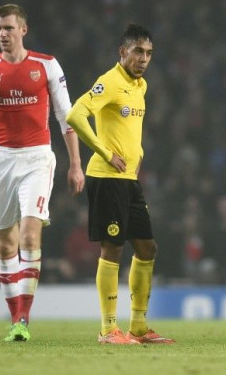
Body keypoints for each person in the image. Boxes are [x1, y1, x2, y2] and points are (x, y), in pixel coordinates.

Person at [0, 4, 85, 342]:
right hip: (0, 161)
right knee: (6, 243)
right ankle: (15, 320)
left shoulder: (46, 65)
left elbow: (66, 116)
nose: (2, 34)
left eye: (8, 28)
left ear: (23, 29)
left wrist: (76, 164)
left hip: (38, 158)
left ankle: (23, 318)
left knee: (28, 235)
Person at [66, 23, 174, 345]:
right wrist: (104, 151)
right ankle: (108, 329)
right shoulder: (109, 82)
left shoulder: (141, 86)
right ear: (123, 51)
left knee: (147, 247)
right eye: (138, 51)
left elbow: (131, 126)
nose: (144, 58)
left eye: (149, 53)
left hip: (128, 179)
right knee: (112, 248)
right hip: (106, 177)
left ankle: (138, 328)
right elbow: (75, 115)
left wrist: (137, 152)